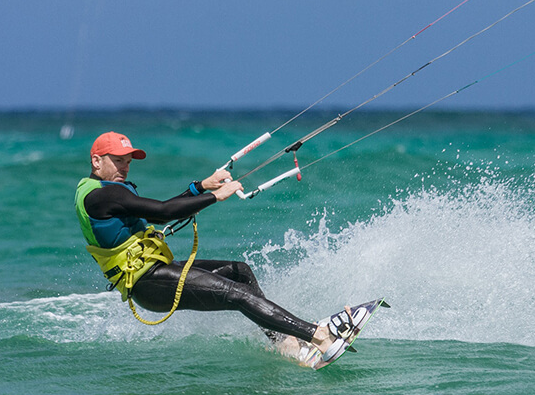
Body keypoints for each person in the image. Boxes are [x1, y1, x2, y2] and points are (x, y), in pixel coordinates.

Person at [75, 131, 352, 363]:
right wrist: (216, 196)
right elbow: (163, 213)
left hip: (158, 271)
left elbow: (158, 211)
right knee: (237, 295)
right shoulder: (102, 195)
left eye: (127, 162)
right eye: (118, 161)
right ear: (97, 161)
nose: (124, 167)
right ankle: (319, 336)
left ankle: (284, 343)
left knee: (239, 272)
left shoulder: (107, 190)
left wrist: (200, 187)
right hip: (148, 283)